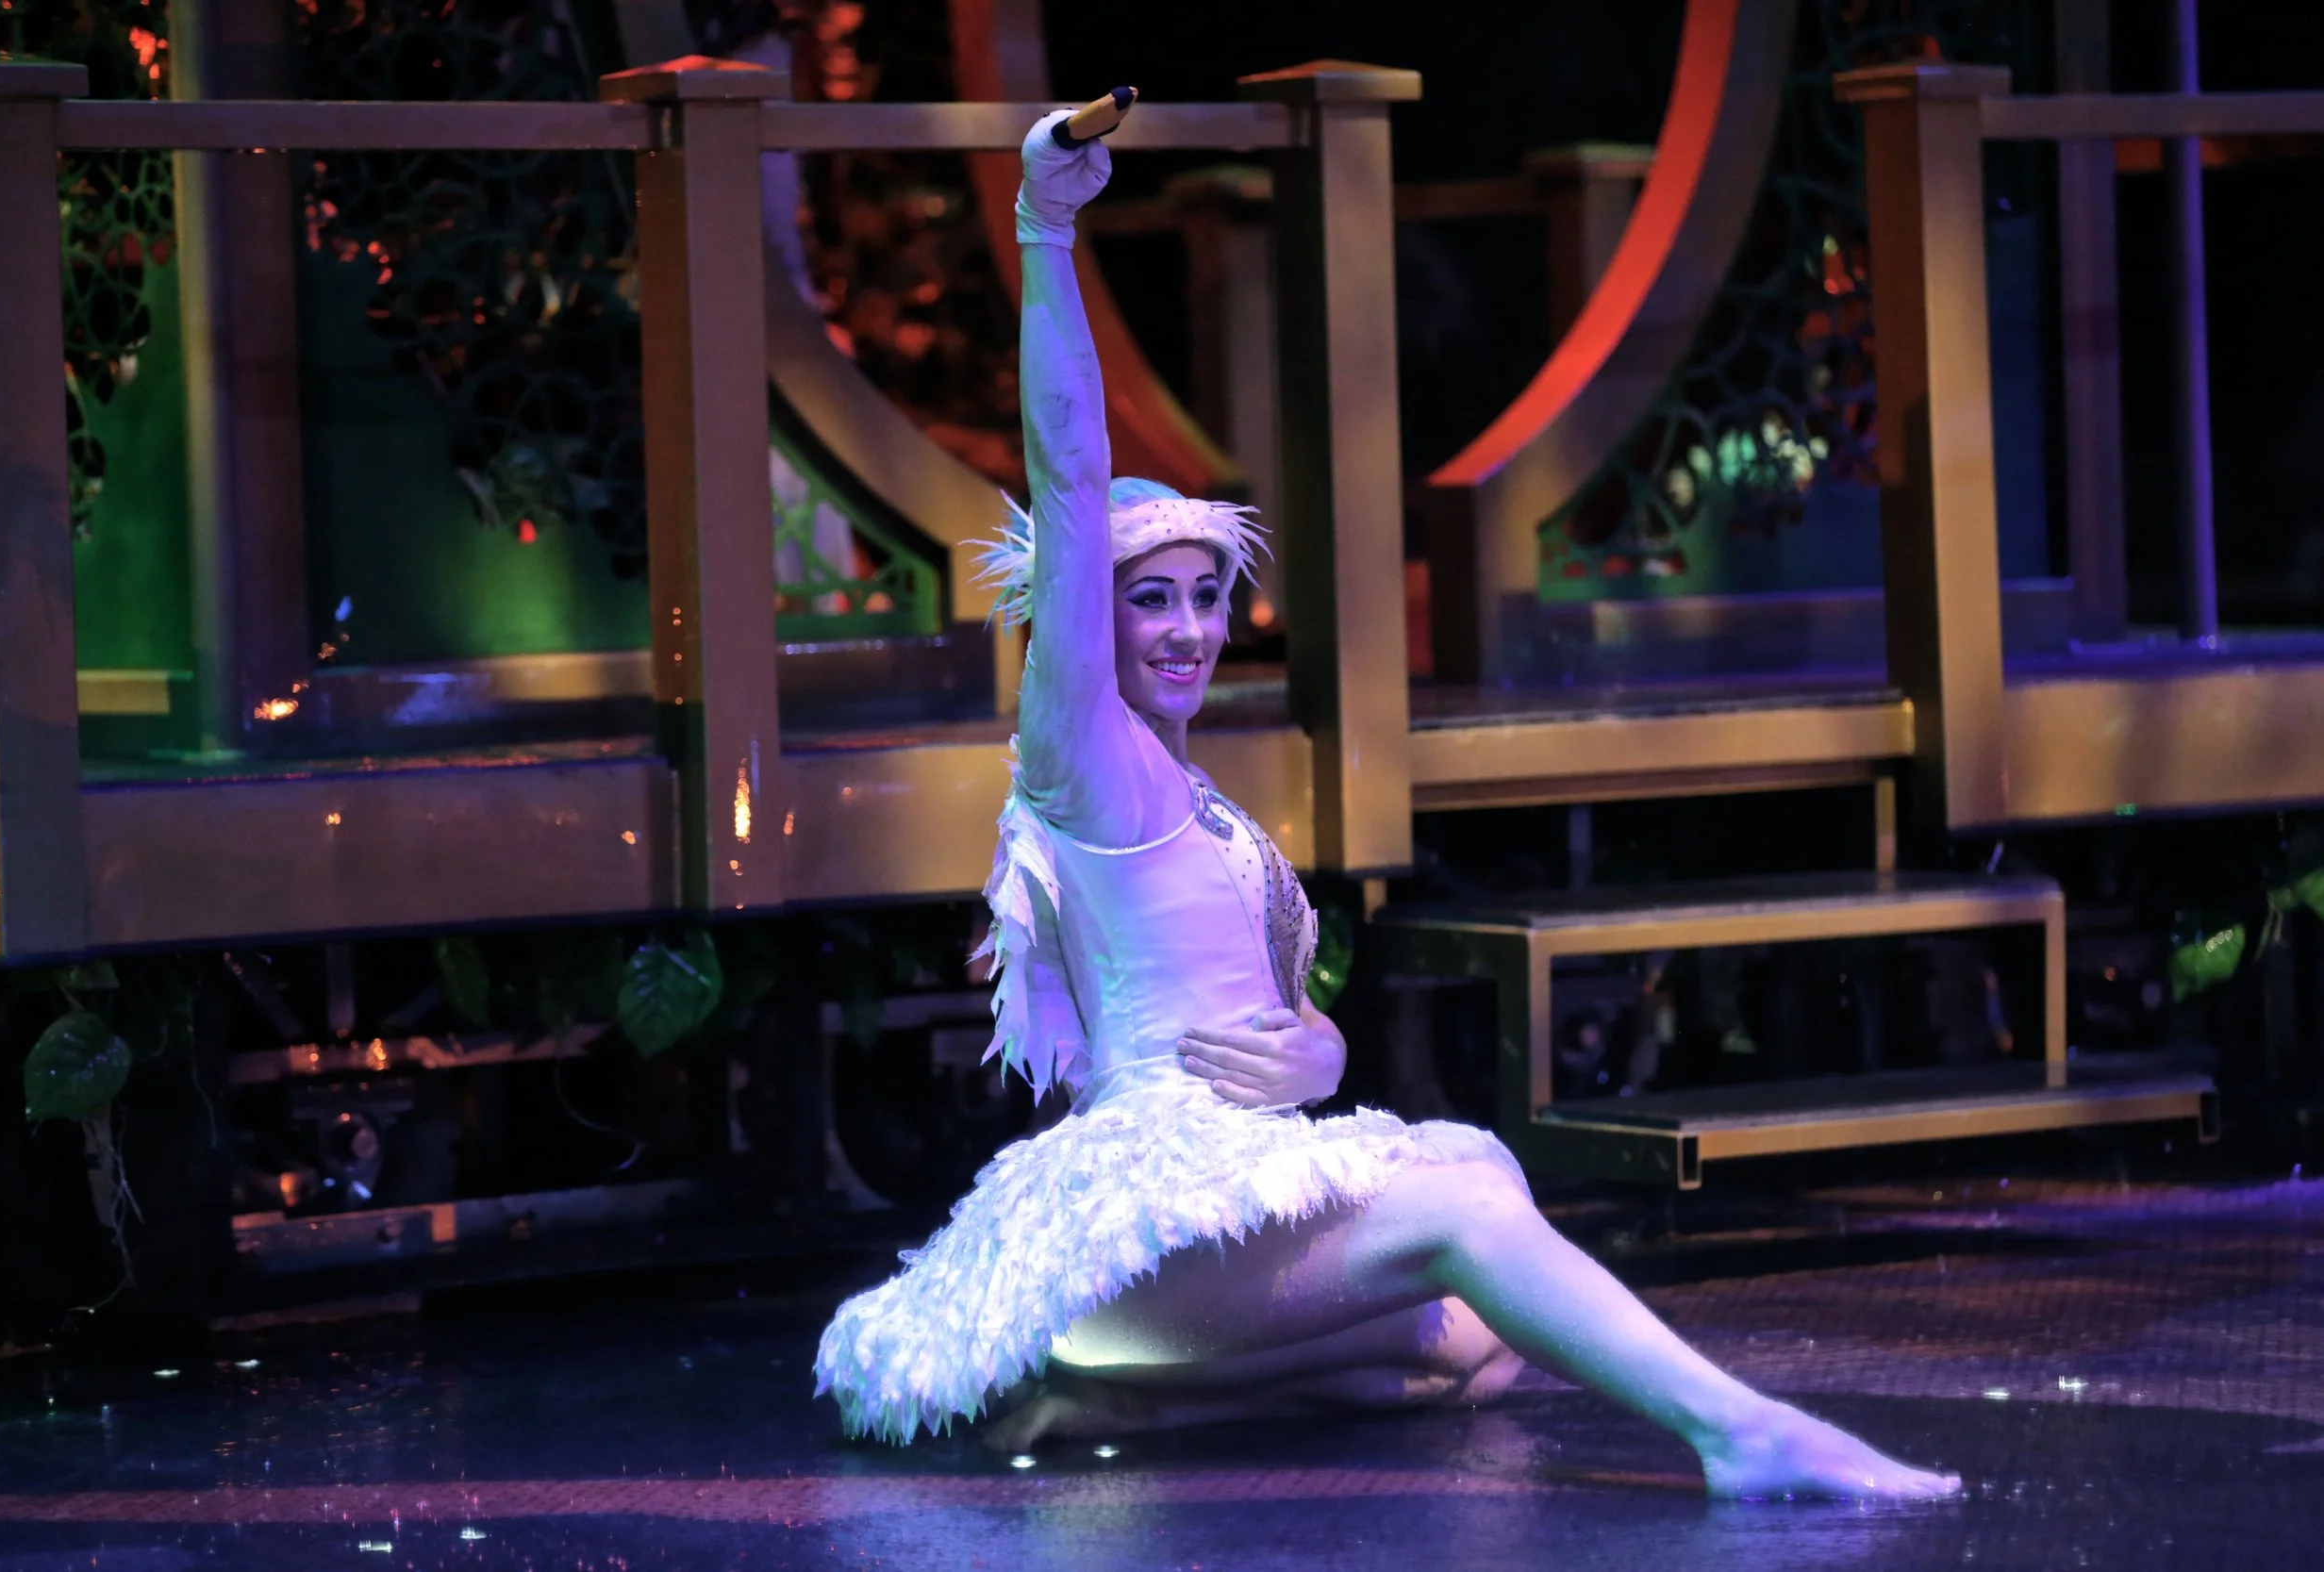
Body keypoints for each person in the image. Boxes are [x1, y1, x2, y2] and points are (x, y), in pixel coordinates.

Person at [813, 107, 1959, 1501]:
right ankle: (1746, 1433)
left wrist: (1317, 1048)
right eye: (1144, 599)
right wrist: (1044, 232)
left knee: (1487, 1341)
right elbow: (1066, 474)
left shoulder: (1204, 801)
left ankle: (1101, 1410)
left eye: (1202, 597)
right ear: (1086, 627)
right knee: (1475, 1210)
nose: (1183, 628)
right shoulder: (1084, 755)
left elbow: (1274, 1015)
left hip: (1226, 1230)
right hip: (1132, 1235)